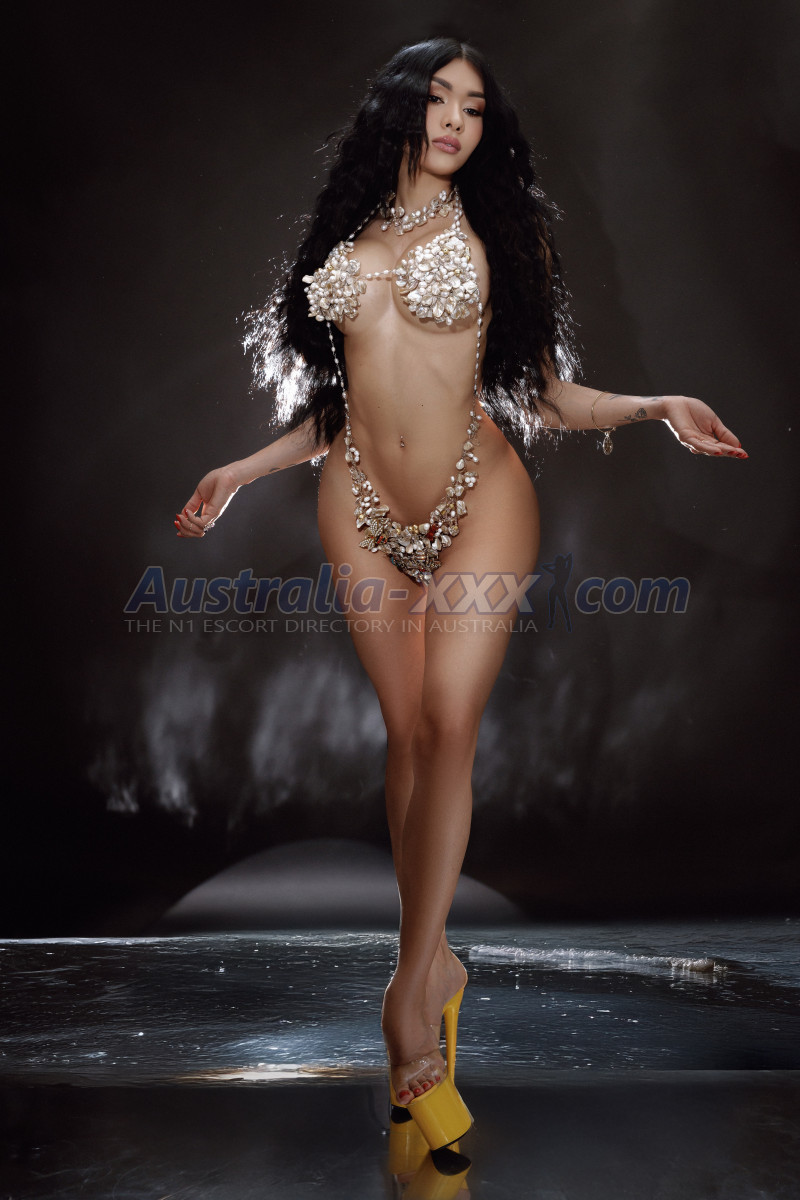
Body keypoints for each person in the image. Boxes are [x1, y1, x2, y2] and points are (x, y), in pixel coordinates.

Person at [175, 37, 745, 1148]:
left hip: (478, 497)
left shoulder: (499, 232)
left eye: (473, 108)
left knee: (446, 724)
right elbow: (340, 407)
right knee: (404, 736)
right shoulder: (342, 237)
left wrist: (654, 406)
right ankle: (436, 965)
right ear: (398, 109)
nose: (453, 121)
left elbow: (542, 391)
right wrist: (240, 473)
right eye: (437, 99)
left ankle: (406, 999)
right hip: (359, 505)